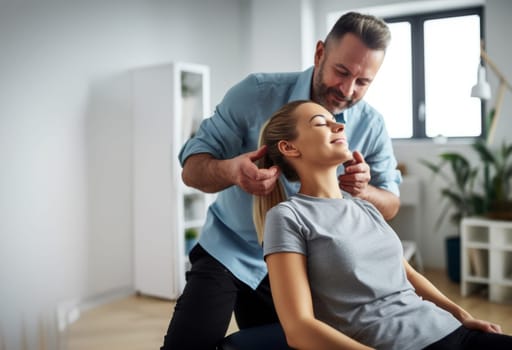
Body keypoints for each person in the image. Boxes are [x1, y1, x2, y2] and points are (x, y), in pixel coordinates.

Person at [161, 12, 401, 349]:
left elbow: (390, 204)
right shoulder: (254, 93)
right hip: (232, 249)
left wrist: (365, 191)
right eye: (342, 72)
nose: (347, 90)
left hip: (305, 266)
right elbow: (191, 169)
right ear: (319, 54)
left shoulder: (371, 125)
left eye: (363, 82)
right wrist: (232, 171)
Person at [255, 100, 512, 350]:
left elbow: (407, 273)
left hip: (452, 331)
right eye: (322, 123)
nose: (339, 127)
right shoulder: (288, 217)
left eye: (336, 122)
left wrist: (462, 315)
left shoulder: (364, 205)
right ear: (289, 148)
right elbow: (299, 330)